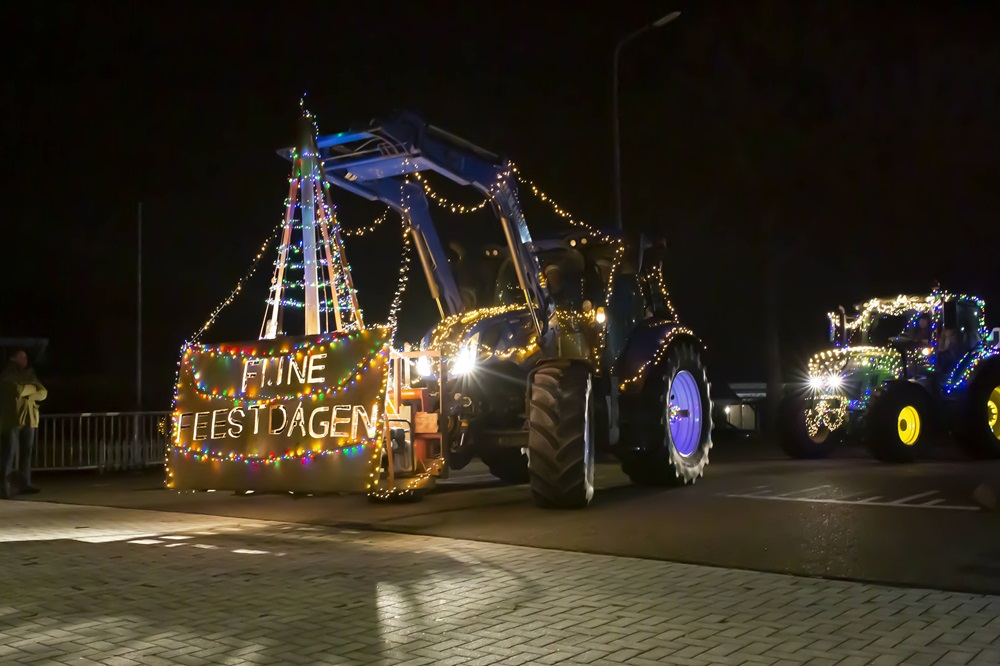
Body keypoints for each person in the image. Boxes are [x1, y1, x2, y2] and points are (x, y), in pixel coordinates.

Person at [0, 348, 46, 497]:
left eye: (26, 357)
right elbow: (16, 390)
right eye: (22, 357)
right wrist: (32, 389)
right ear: (13, 358)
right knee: (9, 452)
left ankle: (25, 483)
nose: (25, 360)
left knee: (27, 452)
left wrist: (28, 392)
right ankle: (3, 487)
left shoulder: (29, 373)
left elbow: (43, 393)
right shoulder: (8, 373)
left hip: (30, 418)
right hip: (13, 419)